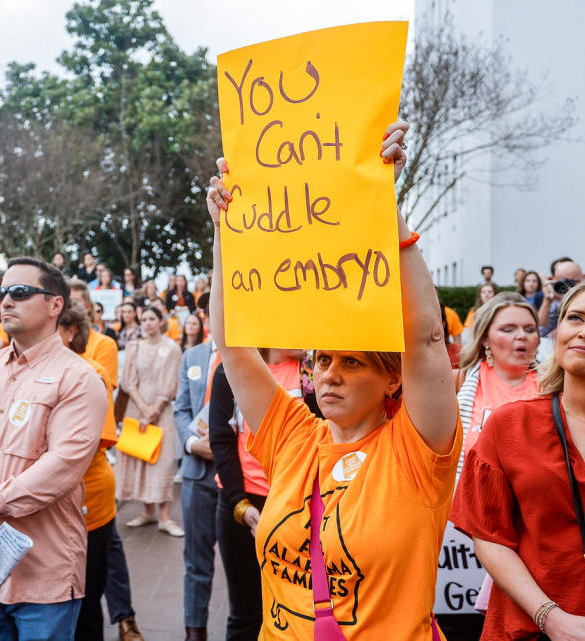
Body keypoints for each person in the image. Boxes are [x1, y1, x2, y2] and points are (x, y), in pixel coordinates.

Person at [205, 121, 460, 638]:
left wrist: (382, 202)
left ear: (392, 381)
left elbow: (427, 339)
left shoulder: (416, 451)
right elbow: (232, 345)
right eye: (323, 362)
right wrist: (225, 231)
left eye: (353, 363)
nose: (330, 375)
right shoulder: (295, 436)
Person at [0, 257, 107, 639]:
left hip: (42, 572)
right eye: (2, 293)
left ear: (55, 305)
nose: (6, 301)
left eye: (21, 292)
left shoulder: (79, 378)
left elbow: (61, 466)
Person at [450, 278, 585, 639]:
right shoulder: (510, 424)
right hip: (529, 626)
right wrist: (551, 618)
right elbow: (489, 534)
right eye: (576, 318)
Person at [210, 349, 310, 641]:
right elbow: (221, 439)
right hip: (244, 503)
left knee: (297, 610)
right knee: (245, 612)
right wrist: (240, 506)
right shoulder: (231, 369)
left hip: (296, 505)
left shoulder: (312, 371)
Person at [57, 302, 120, 641]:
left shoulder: (92, 372)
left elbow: (91, 442)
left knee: (85, 603)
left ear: (70, 332)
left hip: (88, 502)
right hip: (44, 505)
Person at [117, 305, 184, 537]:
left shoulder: (172, 347)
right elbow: (128, 382)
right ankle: (148, 512)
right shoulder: (135, 347)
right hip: (137, 409)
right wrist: (144, 409)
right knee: (141, 460)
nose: (147, 322)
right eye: (143, 318)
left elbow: (171, 382)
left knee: (162, 461)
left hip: (161, 412)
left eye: (151, 318)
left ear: (160, 321)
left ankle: (165, 518)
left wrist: (154, 409)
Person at [174, 303, 220, 639]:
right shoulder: (192, 357)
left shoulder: (253, 356)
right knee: (196, 561)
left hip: (241, 477)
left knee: (246, 564)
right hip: (198, 472)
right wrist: (192, 445)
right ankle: (195, 632)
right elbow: (181, 410)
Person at [455, 292, 540, 472]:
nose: (521, 336)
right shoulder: (457, 383)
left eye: (530, 330)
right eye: (508, 329)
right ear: (485, 338)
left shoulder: (556, 386)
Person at [539, 258, 585, 337]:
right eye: (563, 283)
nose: (569, 288)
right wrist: (547, 301)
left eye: (573, 282)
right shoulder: (556, 302)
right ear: (554, 280)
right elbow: (541, 331)